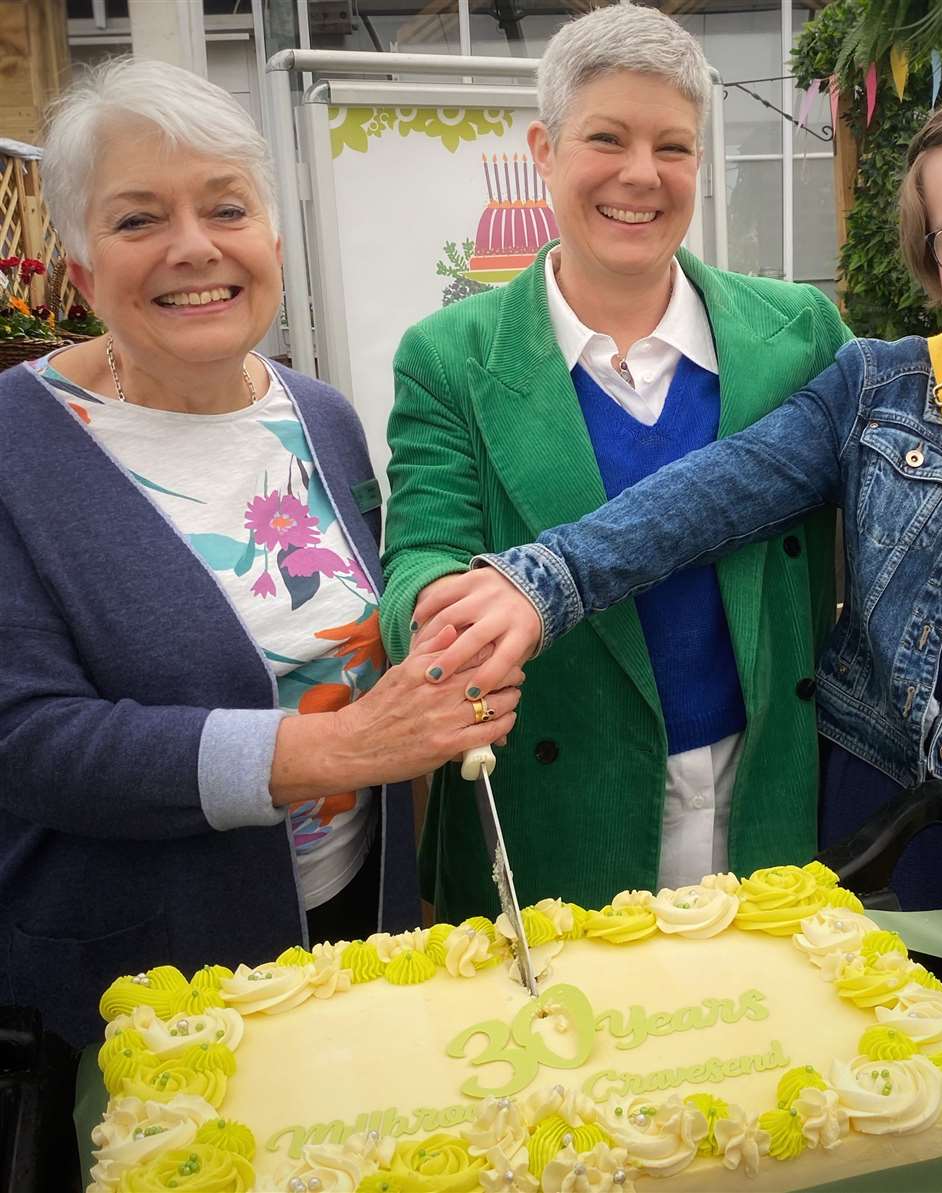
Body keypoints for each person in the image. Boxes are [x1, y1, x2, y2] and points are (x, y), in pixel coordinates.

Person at [416, 83, 942, 1051]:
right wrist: (542, 577)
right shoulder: (879, 384)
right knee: (864, 1067)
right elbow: (716, 492)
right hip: (876, 807)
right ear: (930, 254)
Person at [0, 58, 523, 1053]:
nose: (194, 248)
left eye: (226, 208)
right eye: (138, 219)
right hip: (148, 972)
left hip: (352, 932)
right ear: (79, 270)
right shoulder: (15, 449)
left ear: (272, 239)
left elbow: (352, 644)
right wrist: (342, 747)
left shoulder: (317, 416)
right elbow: (26, 741)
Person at [381, 4, 851, 922]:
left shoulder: (798, 333)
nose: (642, 175)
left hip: (771, 795)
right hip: (560, 812)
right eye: (607, 138)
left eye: (673, 147)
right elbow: (420, 557)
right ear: (543, 150)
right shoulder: (450, 357)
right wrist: (444, 620)